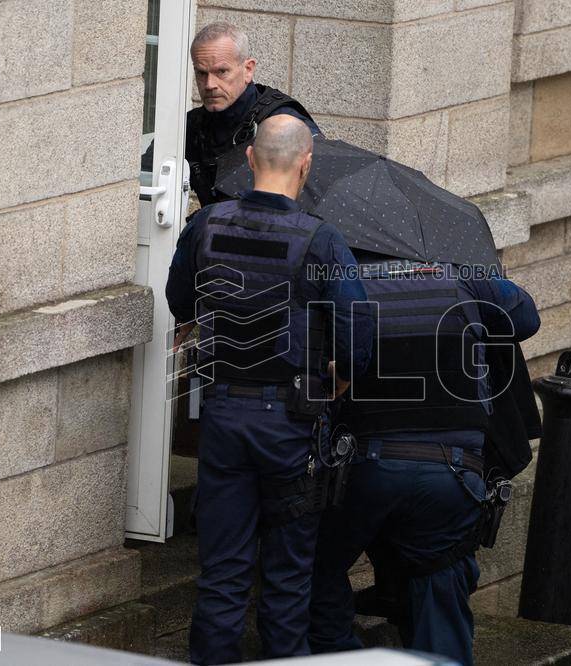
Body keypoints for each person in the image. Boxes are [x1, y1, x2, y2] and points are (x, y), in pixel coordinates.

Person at [165, 114, 372, 665]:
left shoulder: (207, 223)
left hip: (225, 414)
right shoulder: (321, 239)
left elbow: (180, 301)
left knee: (223, 572)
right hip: (292, 423)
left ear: (251, 160)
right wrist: (337, 384)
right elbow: (358, 335)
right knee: (287, 576)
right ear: (306, 164)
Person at [308, 256, 540, 666]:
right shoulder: (462, 278)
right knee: (441, 576)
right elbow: (526, 318)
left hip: (364, 472)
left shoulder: (346, 281)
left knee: (313, 568)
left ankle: (342, 656)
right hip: (453, 474)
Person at [142, 22, 319, 207]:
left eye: (221, 72)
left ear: (248, 69)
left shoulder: (282, 122)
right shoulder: (191, 126)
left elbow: (313, 191)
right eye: (201, 73)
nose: (210, 84)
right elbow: (148, 177)